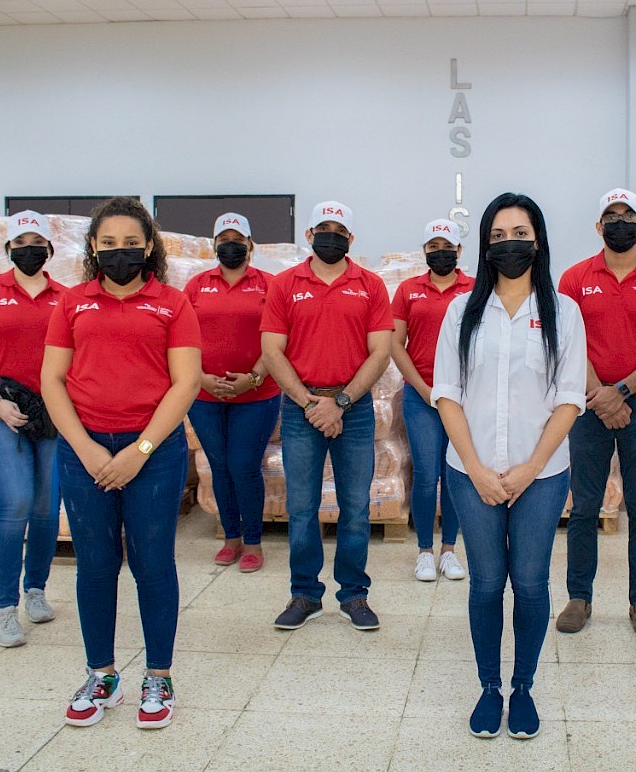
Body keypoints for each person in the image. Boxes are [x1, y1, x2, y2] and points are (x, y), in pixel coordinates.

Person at [41, 197, 202, 730]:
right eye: (107, 243)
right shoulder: (72, 303)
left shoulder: (172, 303)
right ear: (92, 247)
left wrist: (140, 451)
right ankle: (101, 673)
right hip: (83, 449)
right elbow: (52, 380)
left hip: (152, 452)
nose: (119, 252)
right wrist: (87, 448)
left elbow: (186, 383)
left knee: (153, 564)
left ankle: (159, 675)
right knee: (95, 564)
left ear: (149, 245)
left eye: (130, 242)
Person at [432, 193, 587, 741]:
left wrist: (530, 467)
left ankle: (523, 686)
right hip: (469, 472)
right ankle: (489, 686)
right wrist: (474, 466)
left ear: (538, 240)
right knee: (485, 584)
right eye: (497, 237)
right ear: (484, 246)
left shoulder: (563, 312)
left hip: (541, 475)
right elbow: (446, 393)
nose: (509, 244)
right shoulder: (462, 310)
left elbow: (570, 397)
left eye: (519, 233)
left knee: (529, 582)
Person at [260, 201, 394, 632]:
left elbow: (381, 351)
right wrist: (308, 402)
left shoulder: (370, 286)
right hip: (301, 411)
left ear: (351, 239)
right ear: (309, 235)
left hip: (352, 412)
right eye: (323, 228)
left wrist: (340, 402)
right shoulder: (285, 285)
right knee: (302, 507)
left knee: (355, 508)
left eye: (339, 230)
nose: (330, 236)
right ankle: (305, 594)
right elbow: (272, 351)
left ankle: (354, 596)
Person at [556, 188, 636, 638]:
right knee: (585, 505)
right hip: (589, 404)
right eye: (611, 216)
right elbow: (569, 342)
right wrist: (601, 396)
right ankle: (579, 596)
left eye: (629, 216)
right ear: (598, 226)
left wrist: (623, 391)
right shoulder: (574, 278)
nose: (620, 222)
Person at [0, 210, 66, 648]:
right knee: (16, 502)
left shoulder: (67, 296)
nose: (28, 250)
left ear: (50, 250)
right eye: (19, 244)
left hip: (52, 415)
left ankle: (35, 591)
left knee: (45, 506)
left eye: (36, 243)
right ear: (8, 250)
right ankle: (5, 608)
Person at [184, 212, 282, 573]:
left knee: (244, 466)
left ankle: (253, 542)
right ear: (214, 245)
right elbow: (181, 339)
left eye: (237, 238)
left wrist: (253, 378)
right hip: (206, 395)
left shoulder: (269, 285)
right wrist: (201, 379)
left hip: (257, 394)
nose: (231, 245)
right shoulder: (196, 286)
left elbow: (277, 338)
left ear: (250, 245)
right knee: (220, 466)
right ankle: (231, 538)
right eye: (223, 238)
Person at [390, 219, 473, 582]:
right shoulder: (409, 290)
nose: (441, 252)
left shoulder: (475, 289)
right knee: (426, 475)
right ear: (425, 251)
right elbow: (396, 344)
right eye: (434, 246)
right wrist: (423, 388)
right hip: (420, 396)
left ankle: (449, 550)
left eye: (448, 246)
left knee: (456, 473)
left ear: (459, 251)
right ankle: (424, 550)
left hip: (463, 397)